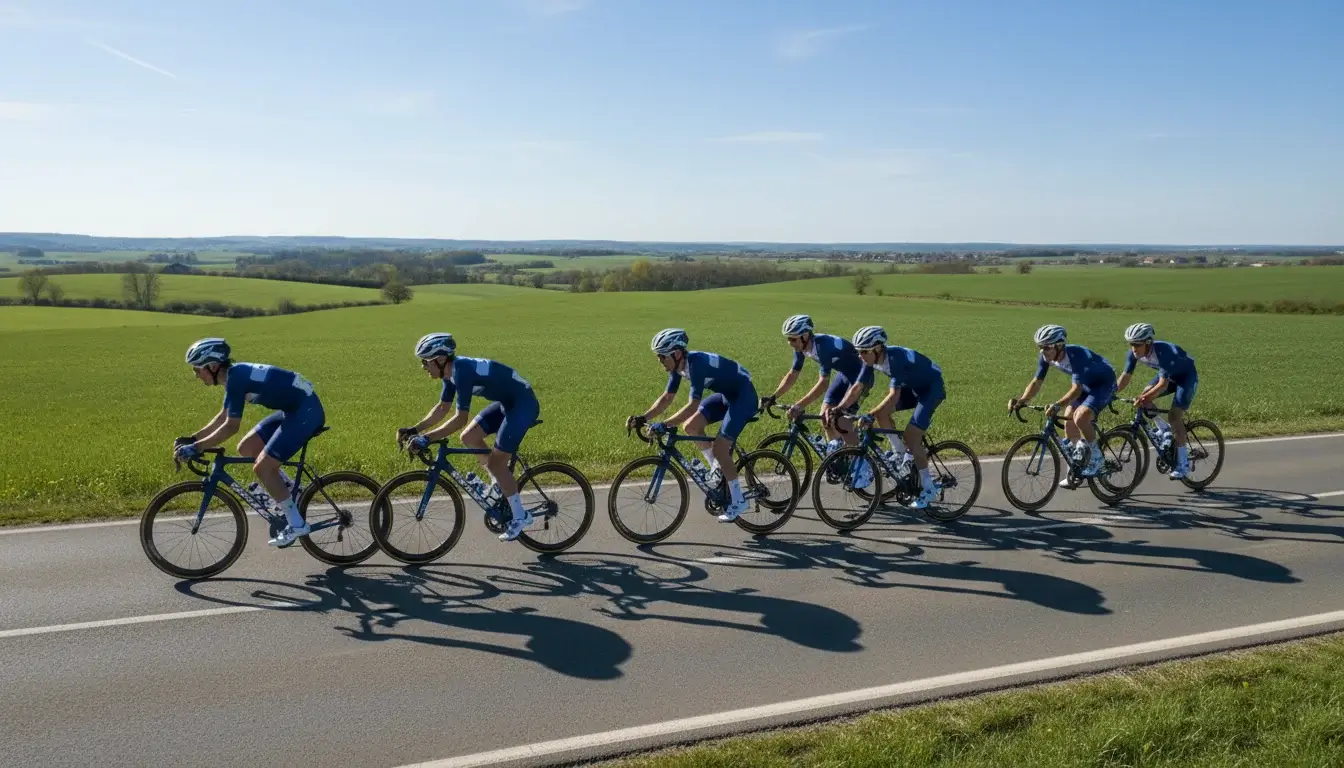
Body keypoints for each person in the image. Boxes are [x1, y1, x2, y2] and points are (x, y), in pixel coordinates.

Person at [175, 337, 323, 547]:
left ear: (213, 366)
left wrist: (197, 448)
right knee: (247, 447)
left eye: (198, 369)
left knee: (263, 468)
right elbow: (223, 416)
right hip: (294, 410)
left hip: (306, 412)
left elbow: (230, 426)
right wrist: (193, 438)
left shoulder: (237, 379)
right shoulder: (233, 377)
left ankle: (296, 523)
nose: (196, 375)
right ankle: (290, 493)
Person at [398, 332, 541, 541]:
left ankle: (521, 516)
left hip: (522, 405)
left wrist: (427, 439)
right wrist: (415, 430)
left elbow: (460, 418)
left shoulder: (462, 372)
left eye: (425, 361)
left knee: (496, 463)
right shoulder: (450, 374)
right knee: (468, 437)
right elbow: (442, 408)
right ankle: (497, 487)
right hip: (507, 403)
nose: (423, 366)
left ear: (440, 359)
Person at [626, 328, 756, 522]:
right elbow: (667, 397)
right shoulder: (679, 367)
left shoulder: (696, 364)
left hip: (744, 397)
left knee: (721, 447)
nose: (659, 360)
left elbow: (693, 405)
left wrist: (664, 424)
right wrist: (643, 418)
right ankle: (717, 469)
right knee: (691, 426)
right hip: (727, 396)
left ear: (677, 354)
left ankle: (738, 500)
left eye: (662, 356)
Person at [835, 325, 943, 508]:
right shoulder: (871, 360)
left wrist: (868, 415)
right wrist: (839, 408)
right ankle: (900, 454)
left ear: (877, 349)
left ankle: (929, 487)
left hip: (930, 389)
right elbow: (857, 388)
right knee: (880, 413)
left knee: (911, 437)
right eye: (858, 351)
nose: (860, 356)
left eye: (864, 351)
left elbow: (894, 396)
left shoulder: (895, 358)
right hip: (914, 387)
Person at [1008, 324, 1115, 483]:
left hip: (1103, 383)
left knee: (1081, 417)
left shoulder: (1076, 355)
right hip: (1087, 385)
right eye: (1040, 347)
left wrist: (1057, 404)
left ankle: (1097, 459)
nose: (1043, 351)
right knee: (1069, 423)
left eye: (1046, 347)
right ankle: (1078, 466)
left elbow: (1076, 389)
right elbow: (1036, 382)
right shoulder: (1046, 357)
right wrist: (1022, 400)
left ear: (1059, 346)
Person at [761, 314, 867, 454]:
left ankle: (862, 464)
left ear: (805, 336)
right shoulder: (801, 347)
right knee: (825, 418)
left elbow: (823, 384)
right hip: (845, 374)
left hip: (861, 378)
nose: (789, 343)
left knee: (840, 421)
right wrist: (773, 396)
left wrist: (799, 405)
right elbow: (793, 374)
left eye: (792, 339)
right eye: (788, 338)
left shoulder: (823, 347)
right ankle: (838, 458)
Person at [1116, 322, 1198, 479]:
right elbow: (1125, 377)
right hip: (1169, 376)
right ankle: (1164, 430)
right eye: (1131, 343)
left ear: (1148, 342)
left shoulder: (1163, 352)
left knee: (1174, 416)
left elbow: (1162, 385)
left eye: (1137, 344)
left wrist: (1144, 398)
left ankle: (1183, 464)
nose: (1133, 347)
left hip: (1186, 378)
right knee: (1145, 397)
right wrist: (1110, 392)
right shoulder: (1134, 354)